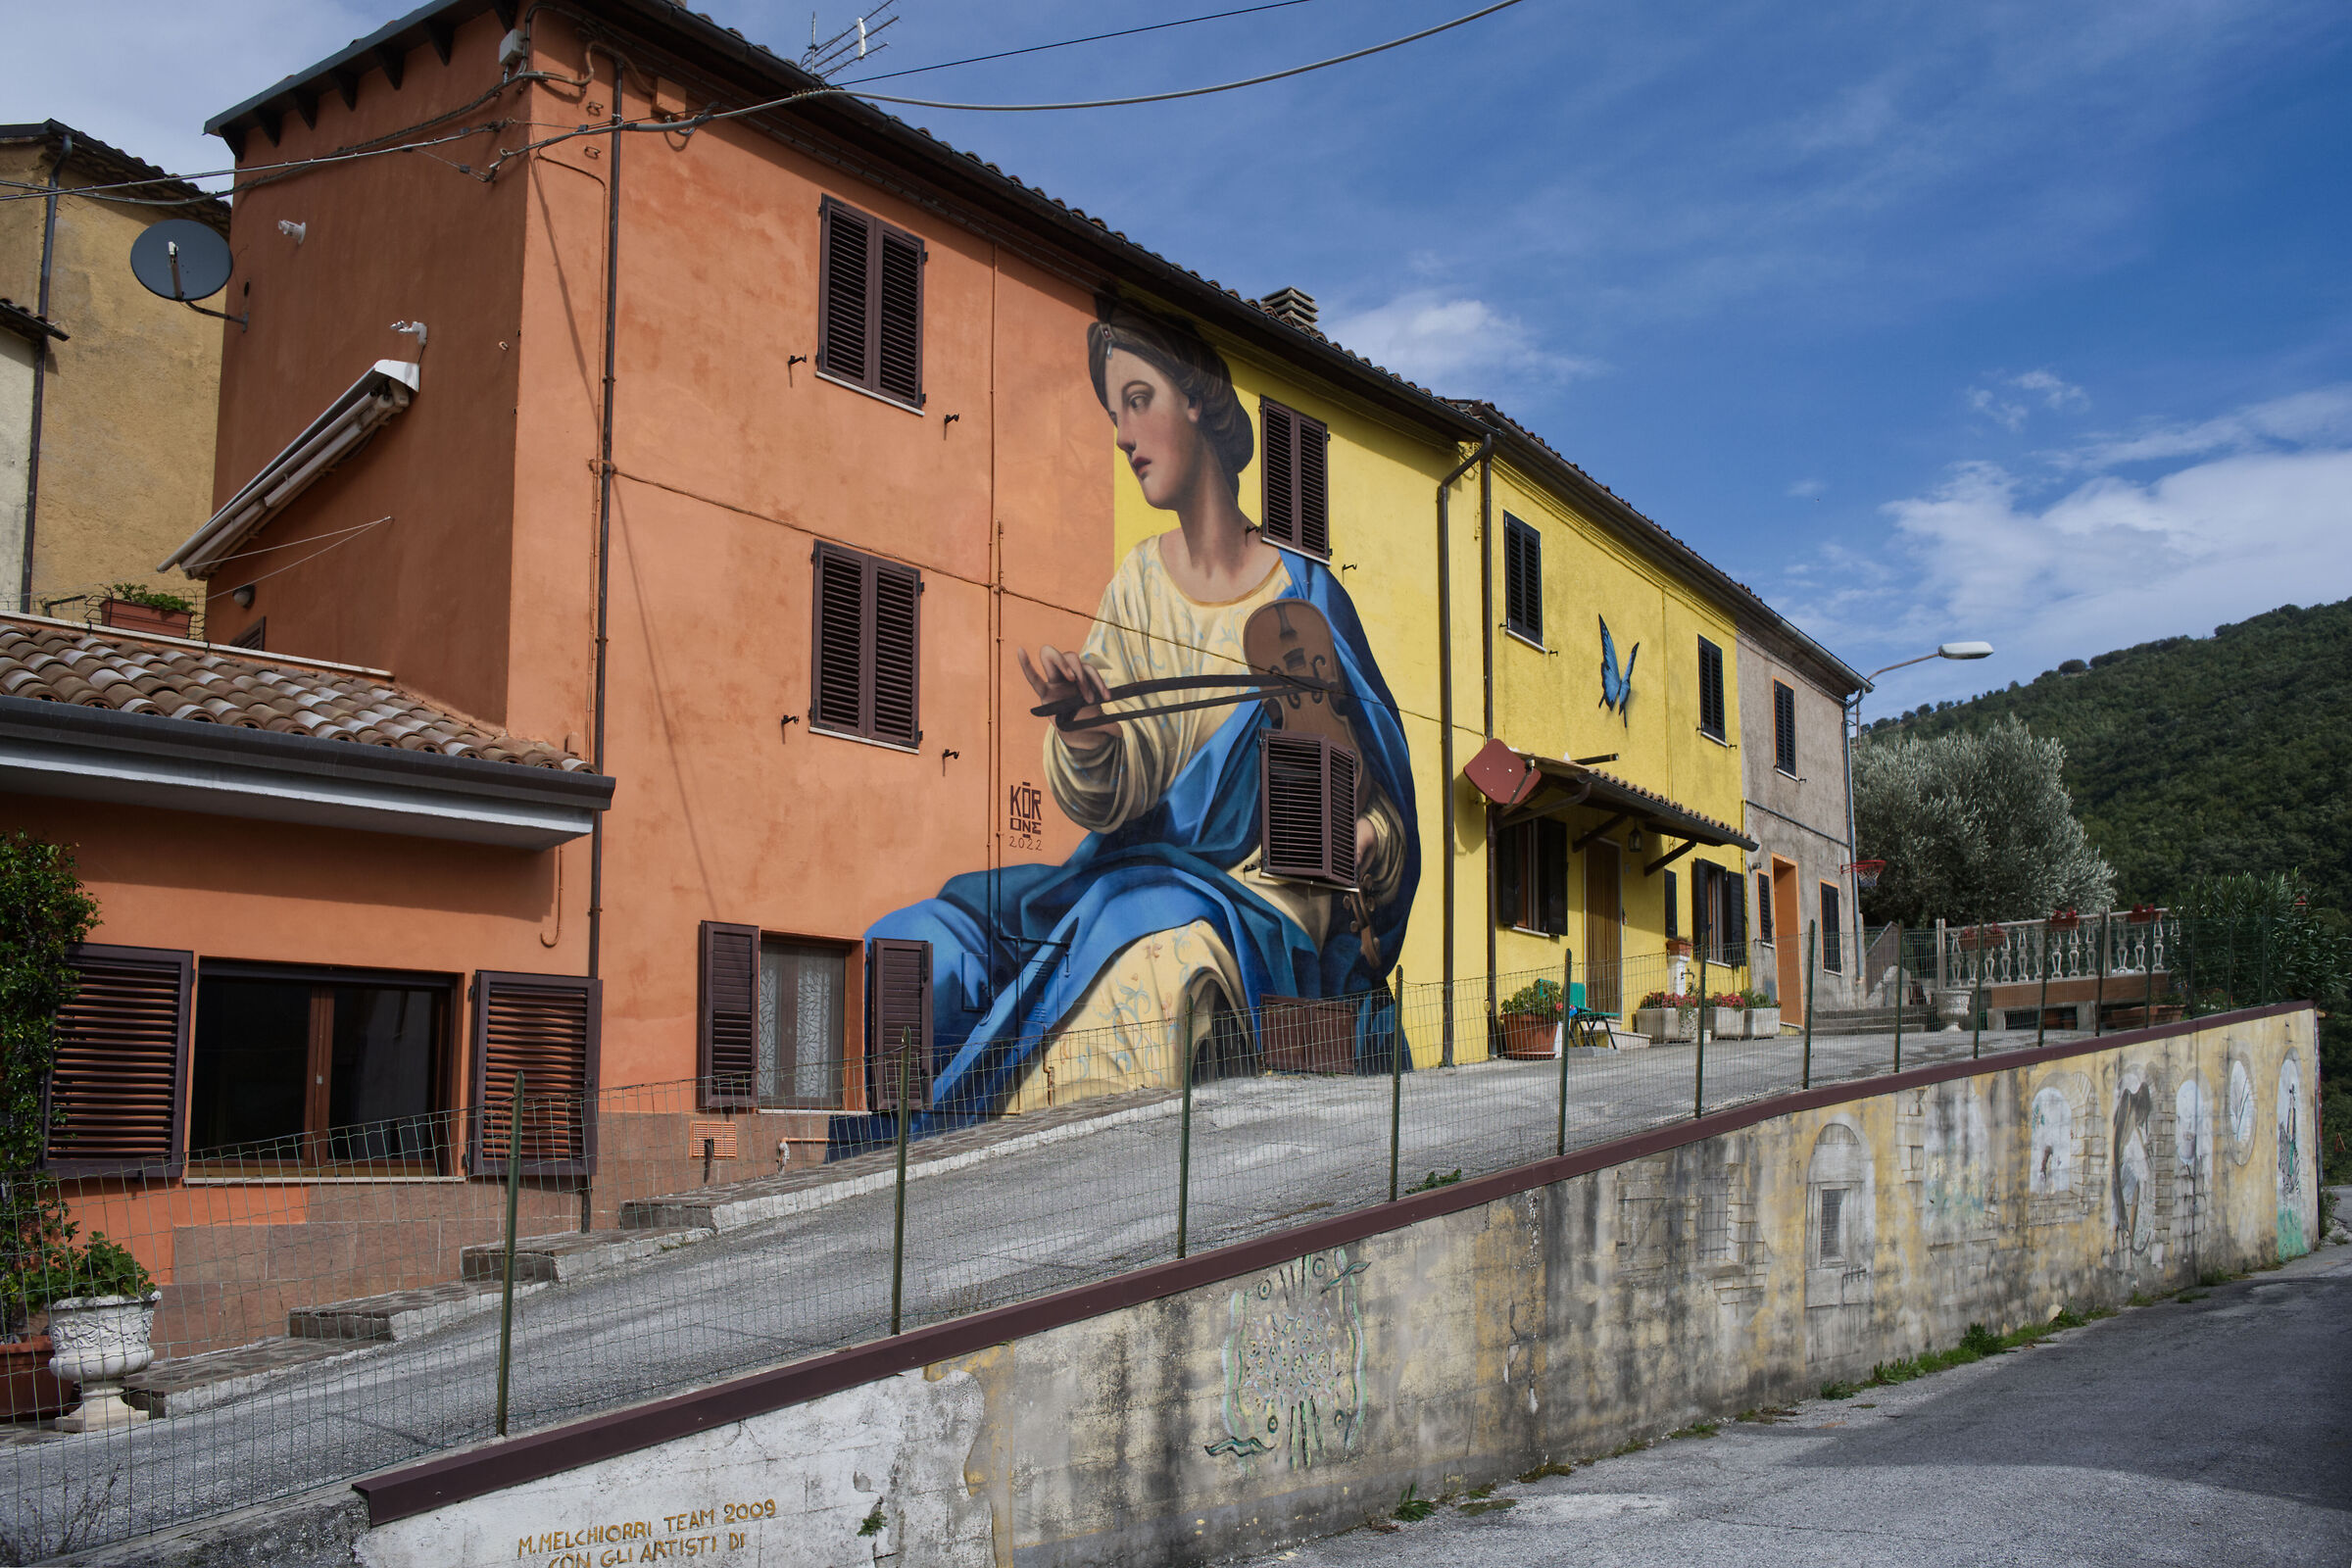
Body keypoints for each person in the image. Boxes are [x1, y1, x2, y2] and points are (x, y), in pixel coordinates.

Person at [841, 303, 1416, 1146]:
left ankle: (984, 1144)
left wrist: (1365, 840)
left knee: (1149, 947)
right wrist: (1091, 732)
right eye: (1114, 412)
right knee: (919, 936)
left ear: (1199, 404)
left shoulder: (1307, 599)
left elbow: (1378, 790)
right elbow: (1128, 777)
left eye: (1138, 399)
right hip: (1125, 869)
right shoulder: (1138, 582)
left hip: (1258, 899)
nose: (1121, 433)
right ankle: (902, 1155)